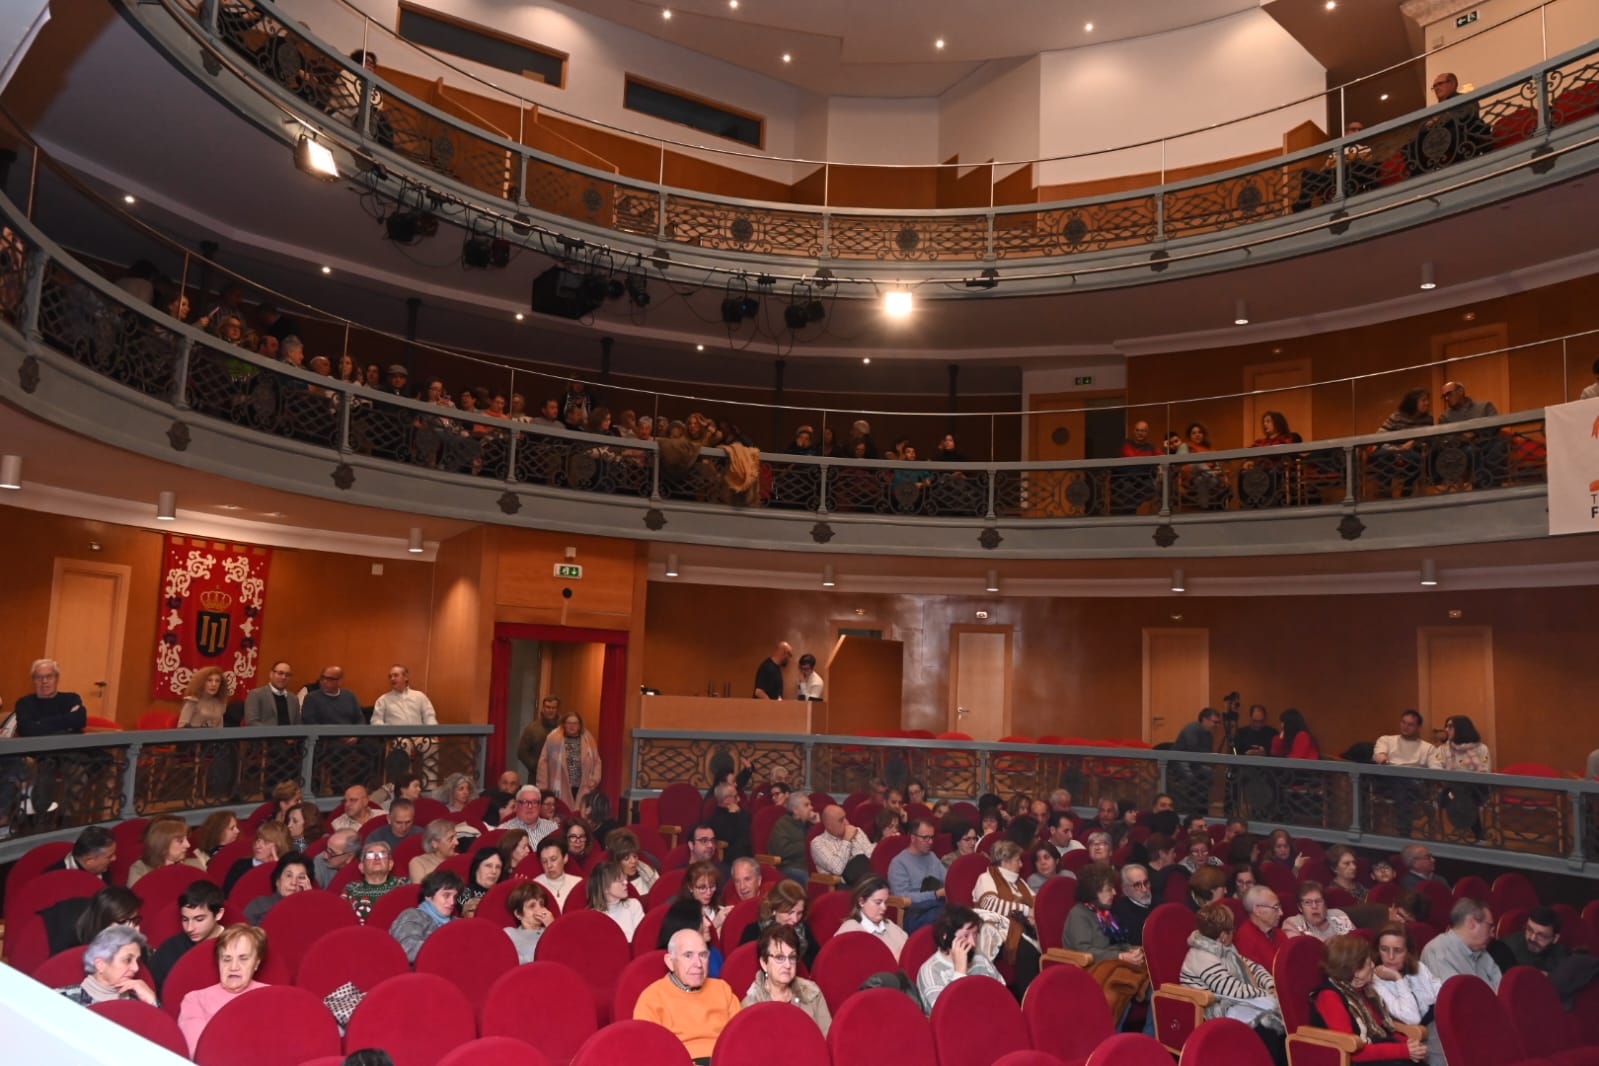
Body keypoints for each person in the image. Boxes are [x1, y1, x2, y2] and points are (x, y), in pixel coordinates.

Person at [1179, 902, 1284, 1054]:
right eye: (1232, 930)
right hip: (1212, 1009)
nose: (1235, 933)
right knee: (1268, 1029)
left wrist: (1271, 985)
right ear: (1223, 936)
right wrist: (1266, 994)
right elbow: (1231, 989)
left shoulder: (1224, 947)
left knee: (1279, 1017)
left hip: (1233, 1003)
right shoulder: (1201, 956)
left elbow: (1252, 967)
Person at [1311, 935, 1428, 1062]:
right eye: (1368, 963)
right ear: (1355, 971)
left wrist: (1408, 1044)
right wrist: (1403, 1050)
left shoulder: (1364, 990)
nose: (1373, 965)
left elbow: (1383, 1031)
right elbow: (1351, 1049)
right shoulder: (1330, 997)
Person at [634, 928, 743, 1062]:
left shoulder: (722, 989)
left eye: (703, 955)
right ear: (670, 962)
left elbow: (741, 1036)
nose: (698, 964)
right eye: (688, 955)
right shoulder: (652, 998)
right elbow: (650, 1052)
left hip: (725, 1060)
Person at [176, 924, 269, 1055]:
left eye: (243, 959)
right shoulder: (195, 1000)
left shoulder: (272, 998)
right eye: (226, 959)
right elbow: (198, 1052)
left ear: (256, 963)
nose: (234, 967)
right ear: (218, 961)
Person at [973, 839, 1042, 994]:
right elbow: (989, 904)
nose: (1021, 865)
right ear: (1005, 861)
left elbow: (1037, 903)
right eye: (1017, 860)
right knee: (1028, 950)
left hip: (1022, 927)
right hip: (1000, 931)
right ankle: (1028, 998)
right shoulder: (986, 878)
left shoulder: (1019, 882)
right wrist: (1025, 909)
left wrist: (1033, 912)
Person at [1372, 924, 1445, 1066]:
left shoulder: (1419, 968)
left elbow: (1442, 995)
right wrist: (1397, 978)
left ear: (1408, 952)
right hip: (1411, 1038)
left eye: (1398, 950)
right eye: (1384, 949)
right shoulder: (1375, 982)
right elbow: (1412, 1019)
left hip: (1437, 1027)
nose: (1390, 957)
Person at [744, 923, 831, 1033]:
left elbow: (828, 1038)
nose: (788, 965)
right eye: (779, 957)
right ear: (764, 963)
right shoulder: (751, 1006)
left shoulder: (812, 993)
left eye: (792, 957)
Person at [917, 904, 1004, 1014]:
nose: (973, 943)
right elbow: (949, 1015)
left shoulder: (979, 958)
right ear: (946, 936)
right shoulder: (930, 971)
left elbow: (1002, 995)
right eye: (966, 936)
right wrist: (959, 972)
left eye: (975, 934)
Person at [148, 881, 226, 992]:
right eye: (185, 919)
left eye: (199, 919)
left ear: (218, 914)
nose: (189, 928)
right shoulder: (170, 948)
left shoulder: (235, 946)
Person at [56, 925, 158, 1006]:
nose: (136, 968)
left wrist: (153, 1002)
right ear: (100, 964)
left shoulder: (140, 1002)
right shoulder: (62, 1000)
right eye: (127, 960)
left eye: (137, 961)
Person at [1429, 715, 1491, 838]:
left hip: (1476, 791)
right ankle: (1478, 834)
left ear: (1462, 728)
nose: (1446, 729)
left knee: (1465, 792)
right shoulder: (1442, 749)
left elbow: (1485, 771)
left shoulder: (1481, 749)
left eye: (1450, 726)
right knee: (1457, 791)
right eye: (1446, 726)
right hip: (1449, 791)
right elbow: (1435, 766)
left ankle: (1464, 830)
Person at [1420, 898, 1501, 991]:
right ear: (1471, 923)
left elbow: (1500, 986)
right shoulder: (1437, 952)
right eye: (1489, 926)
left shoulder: (1480, 950)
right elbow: (1456, 996)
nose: (1492, 934)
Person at [1373, 710, 1434, 834]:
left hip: (1415, 784)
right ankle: (1404, 831)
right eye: (1403, 723)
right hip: (1389, 781)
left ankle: (1404, 830)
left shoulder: (1428, 748)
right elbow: (1379, 755)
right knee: (1400, 783)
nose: (1405, 727)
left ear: (1418, 727)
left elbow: (1435, 769)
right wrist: (1383, 760)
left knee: (1404, 786)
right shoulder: (1387, 740)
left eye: (1410, 724)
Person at [737, 880, 818, 969]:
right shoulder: (753, 933)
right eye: (789, 913)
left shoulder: (804, 929)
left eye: (799, 913)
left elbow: (816, 963)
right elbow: (743, 967)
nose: (795, 919)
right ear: (774, 909)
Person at [390, 868, 463, 963]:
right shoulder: (412, 915)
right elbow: (408, 949)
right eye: (446, 895)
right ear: (429, 895)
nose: (452, 902)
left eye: (455, 897)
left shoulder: (457, 923)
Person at [890, 817, 948, 932]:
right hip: (914, 912)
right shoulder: (899, 863)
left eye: (932, 837)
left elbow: (947, 880)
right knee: (946, 918)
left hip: (937, 905)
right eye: (925, 838)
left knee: (959, 913)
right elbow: (902, 897)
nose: (930, 842)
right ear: (913, 838)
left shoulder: (932, 856)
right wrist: (935, 894)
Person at [1374, 390, 1433, 498]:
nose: (1427, 403)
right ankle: (1385, 493)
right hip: (1392, 450)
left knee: (1418, 459)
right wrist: (1396, 448)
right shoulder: (1397, 416)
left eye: (1427, 400)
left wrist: (1414, 442)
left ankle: (1406, 492)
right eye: (1423, 400)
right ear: (1413, 402)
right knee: (1382, 456)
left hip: (1413, 452)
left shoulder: (1428, 418)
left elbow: (1428, 438)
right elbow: (1380, 435)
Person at [835, 874, 908, 961]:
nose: (884, 908)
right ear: (861, 901)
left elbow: (908, 947)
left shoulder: (888, 924)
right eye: (878, 902)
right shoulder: (850, 930)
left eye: (885, 902)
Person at [536, 712, 602, 806]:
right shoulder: (553, 739)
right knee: (562, 811)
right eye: (569, 723)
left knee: (580, 811)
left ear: (579, 725)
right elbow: (543, 763)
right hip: (560, 786)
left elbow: (597, 761)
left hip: (583, 787)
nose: (572, 726)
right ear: (564, 724)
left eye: (575, 723)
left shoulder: (589, 740)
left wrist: (595, 779)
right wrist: (543, 788)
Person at [127, 815, 204, 887]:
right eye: (180, 841)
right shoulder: (140, 869)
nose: (188, 845)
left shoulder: (195, 865)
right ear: (162, 843)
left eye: (186, 839)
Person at [16, 658, 87, 735]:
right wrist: (67, 723)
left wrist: (38, 723)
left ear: (57, 678)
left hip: (71, 742)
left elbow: (79, 720)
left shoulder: (71, 698)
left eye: (49, 676)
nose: (44, 681)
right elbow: (25, 729)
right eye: (39, 677)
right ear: (33, 680)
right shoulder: (24, 703)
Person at [343, 840, 407, 923]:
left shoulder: (404, 885)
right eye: (370, 855)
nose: (377, 858)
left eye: (382, 854)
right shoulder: (351, 889)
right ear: (361, 867)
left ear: (390, 864)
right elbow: (342, 917)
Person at [244, 853, 314, 924]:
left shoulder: (310, 908)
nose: (293, 882)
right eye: (289, 875)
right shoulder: (259, 904)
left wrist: (309, 900)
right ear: (277, 880)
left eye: (300, 877)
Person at [1172, 708, 1219, 812]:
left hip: (1195, 763)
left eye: (1218, 723)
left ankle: (1201, 808)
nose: (1216, 725)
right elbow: (1193, 749)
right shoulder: (1192, 729)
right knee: (1191, 777)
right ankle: (1188, 808)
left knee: (1209, 773)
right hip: (1181, 760)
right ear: (1205, 719)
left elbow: (1207, 752)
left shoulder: (1209, 734)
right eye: (1214, 722)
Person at [589, 860, 645, 942]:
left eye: (624, 878)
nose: (626, 882)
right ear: (605, 888)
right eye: (619, 880)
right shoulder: (593, 916)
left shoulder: (633, 904)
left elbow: (642, 938)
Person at [811, 803, 873, 877]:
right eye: (841, 820)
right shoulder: (818, 843)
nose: (847, 823)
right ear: (829, 825)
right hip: (840, 882)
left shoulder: (857, 831)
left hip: (868, 877)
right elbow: (837, 870)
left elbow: (871, 856)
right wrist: (846, 840)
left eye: (845, 818)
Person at [1235, 885, 1287, 973]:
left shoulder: (1279, 934)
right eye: (1275, 907)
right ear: (1258, 910)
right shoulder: (1245, 940)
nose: (1281, 913)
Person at [769, 791, 817, 883]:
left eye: (810, 804)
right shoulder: (783, 824)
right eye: (806, 805)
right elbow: (782, 850)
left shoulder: (810, 824)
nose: (811, 808)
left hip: (810, 866)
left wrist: (818, 825)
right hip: (791, 867)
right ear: (795, 810)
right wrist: (807, 845)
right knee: (810, 880)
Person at [1283, 881, 1355, 941]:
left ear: (1325, 904)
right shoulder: (1293, 924)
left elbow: (1357, 943)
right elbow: (1300, 951)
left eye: (1319, 901)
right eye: (1307, 902)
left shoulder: (1339, 915)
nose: (1314, 906)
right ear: (1300, 907)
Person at [504, 880, 555, 965]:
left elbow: (565, 954)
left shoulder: (549, 931)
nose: (539, 909)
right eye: (532, 906)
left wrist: (552, 928)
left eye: (541, 904)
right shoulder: (510, 933)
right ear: (518, 914)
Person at [516, 695, 564, 781]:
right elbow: (522, 752)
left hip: (560, 775)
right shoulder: (532, 728)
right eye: (548, 707)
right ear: (543, 708)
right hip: (537, 775)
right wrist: (536, 766)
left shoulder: (564, 727)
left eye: (553, 708)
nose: (550, 710)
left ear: (557, 709)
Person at [371, 664, 437, 726]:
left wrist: (432, 732)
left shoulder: (420, 696)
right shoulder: (383, 700)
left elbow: (429, 717)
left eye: (396, 675)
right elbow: (376, 721)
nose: (392, 679)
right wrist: (389, 731)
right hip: (394, 734)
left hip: (419, 734)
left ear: (405, 677)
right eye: (390, 676)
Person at [48, 826, 117, 880]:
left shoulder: (103, 869)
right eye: (109, 856)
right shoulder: (54, 879)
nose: (114, 858)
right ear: (90, 861)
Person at [534, 835, 583, 910]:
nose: (549, 865)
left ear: (565, 858)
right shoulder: (535, 885)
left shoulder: (578, 883)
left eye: (553, 859)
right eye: (544, 861)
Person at [1112, 864, 1156, 946]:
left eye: (1146, 883)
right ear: (1125, 890)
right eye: (1137, 885)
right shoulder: (1120, 912)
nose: (1144, 889)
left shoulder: (1161, 903)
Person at [709, 782, 753, 863]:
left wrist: (738, 813)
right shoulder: (717, 819)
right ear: (726, 799)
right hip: (731, 858)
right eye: (735, 796)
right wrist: (734, 816)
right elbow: (731, 837)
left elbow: (747, 831)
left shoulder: (740, 812)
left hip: (746, 855)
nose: (739, 799)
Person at [458, 847, 505, 917]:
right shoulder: (464, 893)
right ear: (477, 868)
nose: (494, 871)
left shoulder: (503, 895)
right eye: (488, 866)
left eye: (498, 867)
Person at [410, 819, 459, 884]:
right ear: (435, 844)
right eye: (450, 839)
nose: (457, 842)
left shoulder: (459, 859)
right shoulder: (418, 863)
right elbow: (420, 889)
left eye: (456, 837)